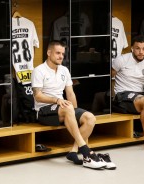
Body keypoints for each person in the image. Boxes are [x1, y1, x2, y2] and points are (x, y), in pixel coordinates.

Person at [31, 40, 115, 170]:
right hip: (43, 110)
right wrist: (56, 100)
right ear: (49, 52)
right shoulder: (39, 70)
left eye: (62, 54)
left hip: (63, 108)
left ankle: (73, 151)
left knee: (90, 118)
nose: (60, 56)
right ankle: (87, 151)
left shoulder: (64, 70)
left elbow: (70, 94)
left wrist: (75, 113)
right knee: (67, 107)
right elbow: (37, 95)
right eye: (57, 53)